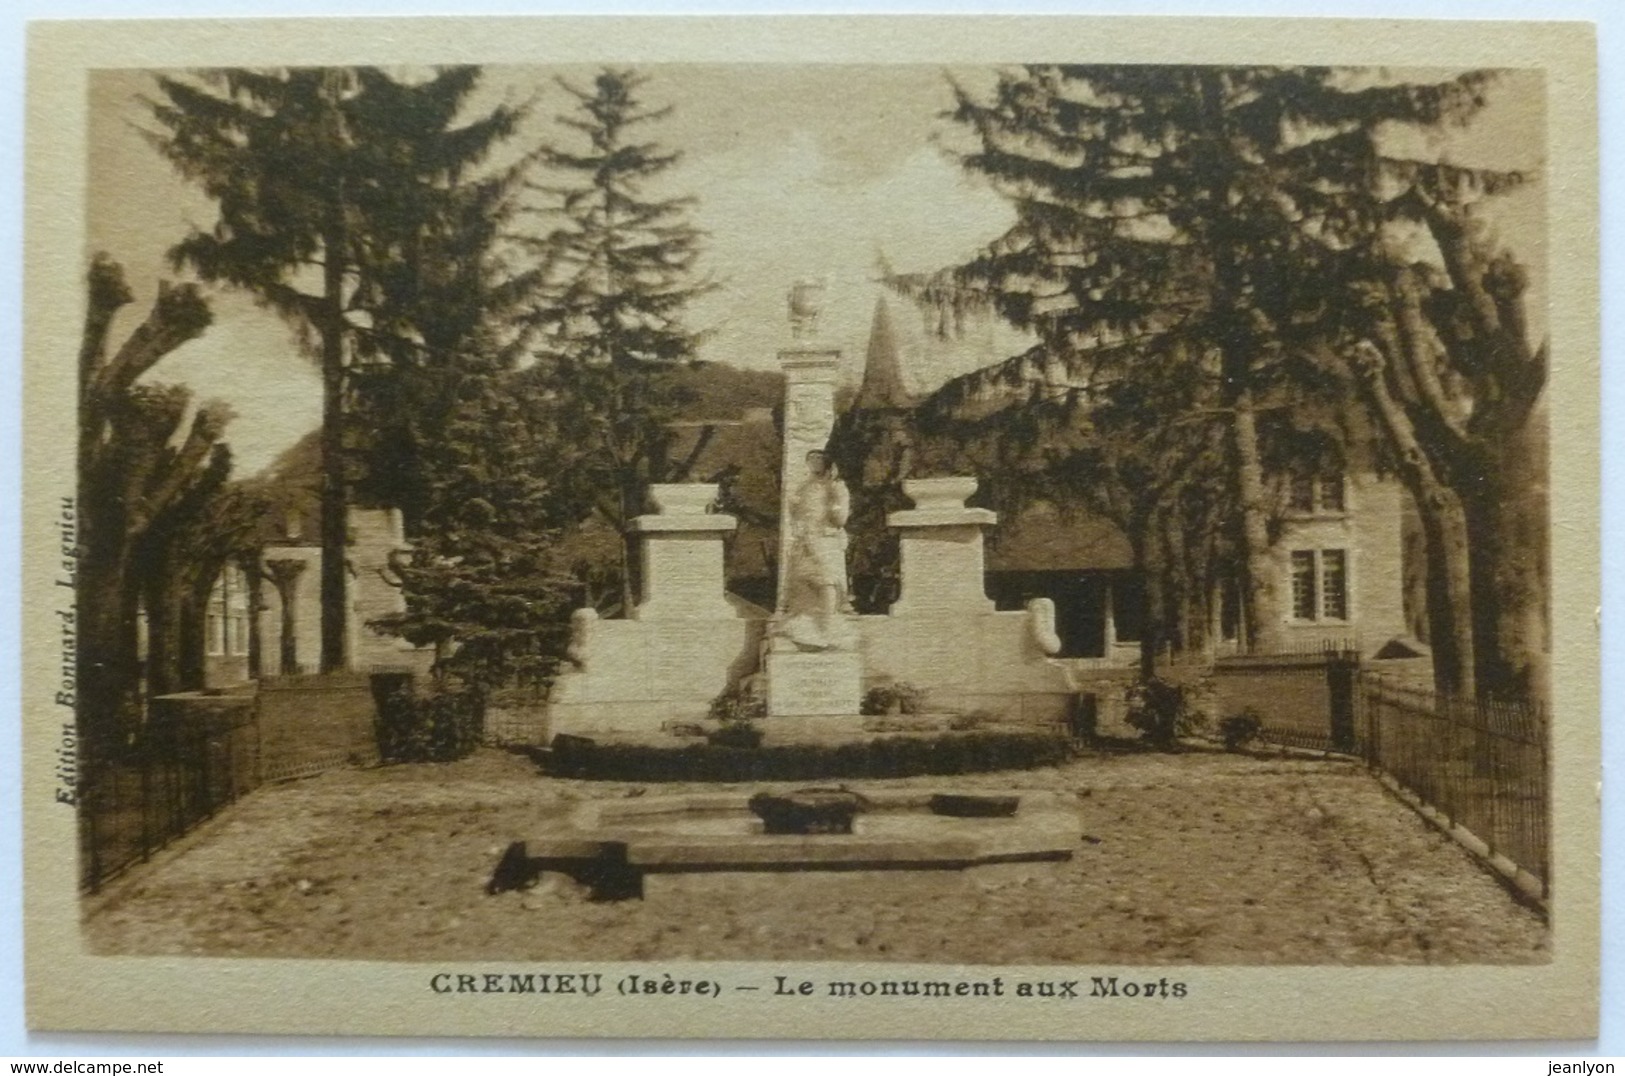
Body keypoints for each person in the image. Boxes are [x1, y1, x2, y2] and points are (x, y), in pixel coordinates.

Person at [781, 449, 851, 650]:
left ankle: (828, 627)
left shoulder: (836, 487)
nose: (815, 463)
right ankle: (807, 627)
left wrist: (834, 501)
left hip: (826, 540)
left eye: (819, 459)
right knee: (803, 583)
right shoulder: (803, 488)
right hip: (805, 542)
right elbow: (795, 516)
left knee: (828, 581)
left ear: (827, 463)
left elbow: (840, 519)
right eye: (811, 459)